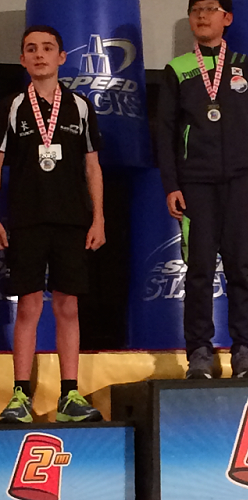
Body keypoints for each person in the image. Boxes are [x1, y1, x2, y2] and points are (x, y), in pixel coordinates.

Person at [158, 0, 248, 379]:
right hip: (196, 184)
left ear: (227, 17)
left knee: (242, 268)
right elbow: (166, 132)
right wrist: (172, 184)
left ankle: (243, 351)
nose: (202, 16)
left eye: (210, 8)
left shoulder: (244, 66)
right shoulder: (178, 69)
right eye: (195, 10)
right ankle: (200, 352)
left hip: (240, 181)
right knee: (199, 270)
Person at [0, 26, 105, 423]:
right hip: (26, 221)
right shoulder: (11, 105)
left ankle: (70, 396)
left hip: (72, 221)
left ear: (62, 57)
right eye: (31, 49)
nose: (39, 55)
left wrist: (99, 218)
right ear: (23, 59)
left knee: (68, 306)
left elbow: (92, 166)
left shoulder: (80, 106)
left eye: (47, 49)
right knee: (27, 306)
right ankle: (19, 396)